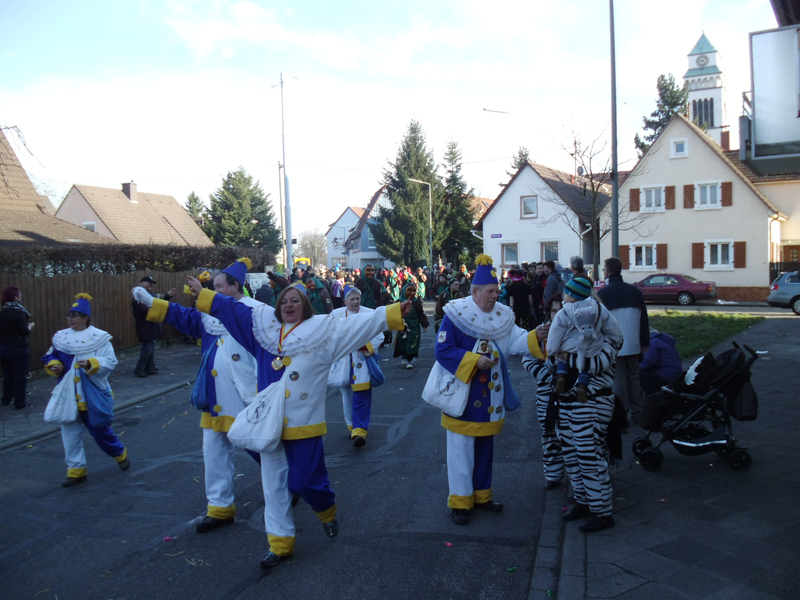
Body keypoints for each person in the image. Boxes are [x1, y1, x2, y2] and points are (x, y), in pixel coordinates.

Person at [184, 275, 410, 569]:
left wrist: (391, 313)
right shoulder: (262, 333)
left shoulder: (323, 333)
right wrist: (205, 295)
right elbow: (233, 310)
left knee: (305, 482)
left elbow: (357, 325)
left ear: (305, 306)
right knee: (273, 487)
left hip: (305, 426)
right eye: (284, 301)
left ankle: (326, 510)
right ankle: (280, 543)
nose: (289, 305)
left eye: (295, 301)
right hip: (269, 424)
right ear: (278, 307)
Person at [136, 258, 263, 533]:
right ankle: (219, 507)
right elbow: (184, 317)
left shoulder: (256, 312)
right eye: (213, 287)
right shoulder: (208, 315)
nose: (214, 291)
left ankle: (287, 482)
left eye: (219, 287)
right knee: (214, 451)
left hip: (248, 395)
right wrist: (151, 302)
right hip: (214, 396)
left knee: (261, 447)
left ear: (235, 286)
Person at [427, 254, 539, 525]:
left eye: (496, 291)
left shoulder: (502, 314)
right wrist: (475, 361)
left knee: (485, 449)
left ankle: (482, 495)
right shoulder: (456, 314)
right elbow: (443, 350)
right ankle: (460, 501)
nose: (495, 296)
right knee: (460, 450)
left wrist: (537, 337)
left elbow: (516, 340)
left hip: (490, 398)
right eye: (490, 292)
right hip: (462, 397)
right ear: (475, 292)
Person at [43, 293, 129, 486]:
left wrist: (92, 364)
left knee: (100, 432)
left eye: (75, 315)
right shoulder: (61, 337)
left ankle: (119, 453)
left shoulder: (100, 338)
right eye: (69, 315)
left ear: (86, 318)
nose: (71, 319)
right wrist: (54, 364)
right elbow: (50, 355)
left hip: (92, 395)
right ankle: (76, 470)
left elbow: (110, 361)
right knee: (69, 435)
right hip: (67, 395)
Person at [547, 277, 622, 402]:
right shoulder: (600, 309)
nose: (563, 296)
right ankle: (582, 385)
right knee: (585, 366)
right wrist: (618, 341)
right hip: (592, 349)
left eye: (565, 293)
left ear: (571, 296)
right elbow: (612, 328)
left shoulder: (564, 313)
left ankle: (561, 376)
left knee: (562, 359)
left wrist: (552, 351)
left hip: (568, 349)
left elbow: (555, 333)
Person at [329, 288, 385, 447]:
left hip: (362, 361)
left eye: (358, 299)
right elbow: (329, 335)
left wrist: (365, 345)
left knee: (362, 395)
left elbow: (379, 335)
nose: (355, 302)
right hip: (343, 363)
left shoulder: (370, 313)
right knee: (346, 396)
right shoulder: (335, 315)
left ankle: (360, 430)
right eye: (352, 299)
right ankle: (351, 425)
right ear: (345, 301)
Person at [597, 257, 650, 421]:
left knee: (618, 378)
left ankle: (622, 413)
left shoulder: (602, 294)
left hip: (614, 345)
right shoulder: (635, 291)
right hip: (634, 342)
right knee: (634, 377)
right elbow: (644, 319)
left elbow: (599, 322)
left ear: (607, 272)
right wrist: (644, 342)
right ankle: (637, 411)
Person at [521, 294, 566, 490]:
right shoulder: (541, 333)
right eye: (554, 311)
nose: (557, 314)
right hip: (546, 393)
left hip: (571, 393)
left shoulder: (577, 330)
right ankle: (553, 474)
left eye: (561, 310)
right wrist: (547, 376)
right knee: (549, 432)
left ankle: (580, 476)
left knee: (571, 434)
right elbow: (527, 358)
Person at [131, 276, 176, 377]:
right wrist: (153, 308)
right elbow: (142, 308)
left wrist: (167, 295)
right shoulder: (138, 295)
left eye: (151, 283)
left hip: (152, 326)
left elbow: (158, 300)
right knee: (146, 350)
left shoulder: (151, 294)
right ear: (142, 283)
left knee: (150, 349)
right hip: (144, 326)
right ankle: (139, 369)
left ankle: (150, 368)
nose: (150, 284)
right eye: (148, 282)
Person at [1, 286, 34, 409]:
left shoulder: (2, 313)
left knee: (8, 374)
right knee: (20, 375)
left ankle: (6, 399)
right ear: (16, 297)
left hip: (4, 348)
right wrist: (30, 326)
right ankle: (20, 403)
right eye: (19, 295)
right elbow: (24, 331)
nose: (21, 296)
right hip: (19, 348)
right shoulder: (19, 313)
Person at [393, 283, 429, 369]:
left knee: (412, 343)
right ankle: (404, 356)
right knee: (402, 343)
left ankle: (409, 360)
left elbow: (421, 314)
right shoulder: (399, 302)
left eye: (414, 291)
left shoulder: (417, 302)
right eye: (409, 290)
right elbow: (394, 314)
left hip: (414, 326)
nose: (412, 293)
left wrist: (424, 325)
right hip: (402, 326)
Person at [639, 328, 682, 396]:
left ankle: (654, 396)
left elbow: (649, 362)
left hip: (666, 375)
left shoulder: (651, 341)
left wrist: (633, 369)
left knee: (637, 374)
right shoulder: (659, 339)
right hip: (675, 374)